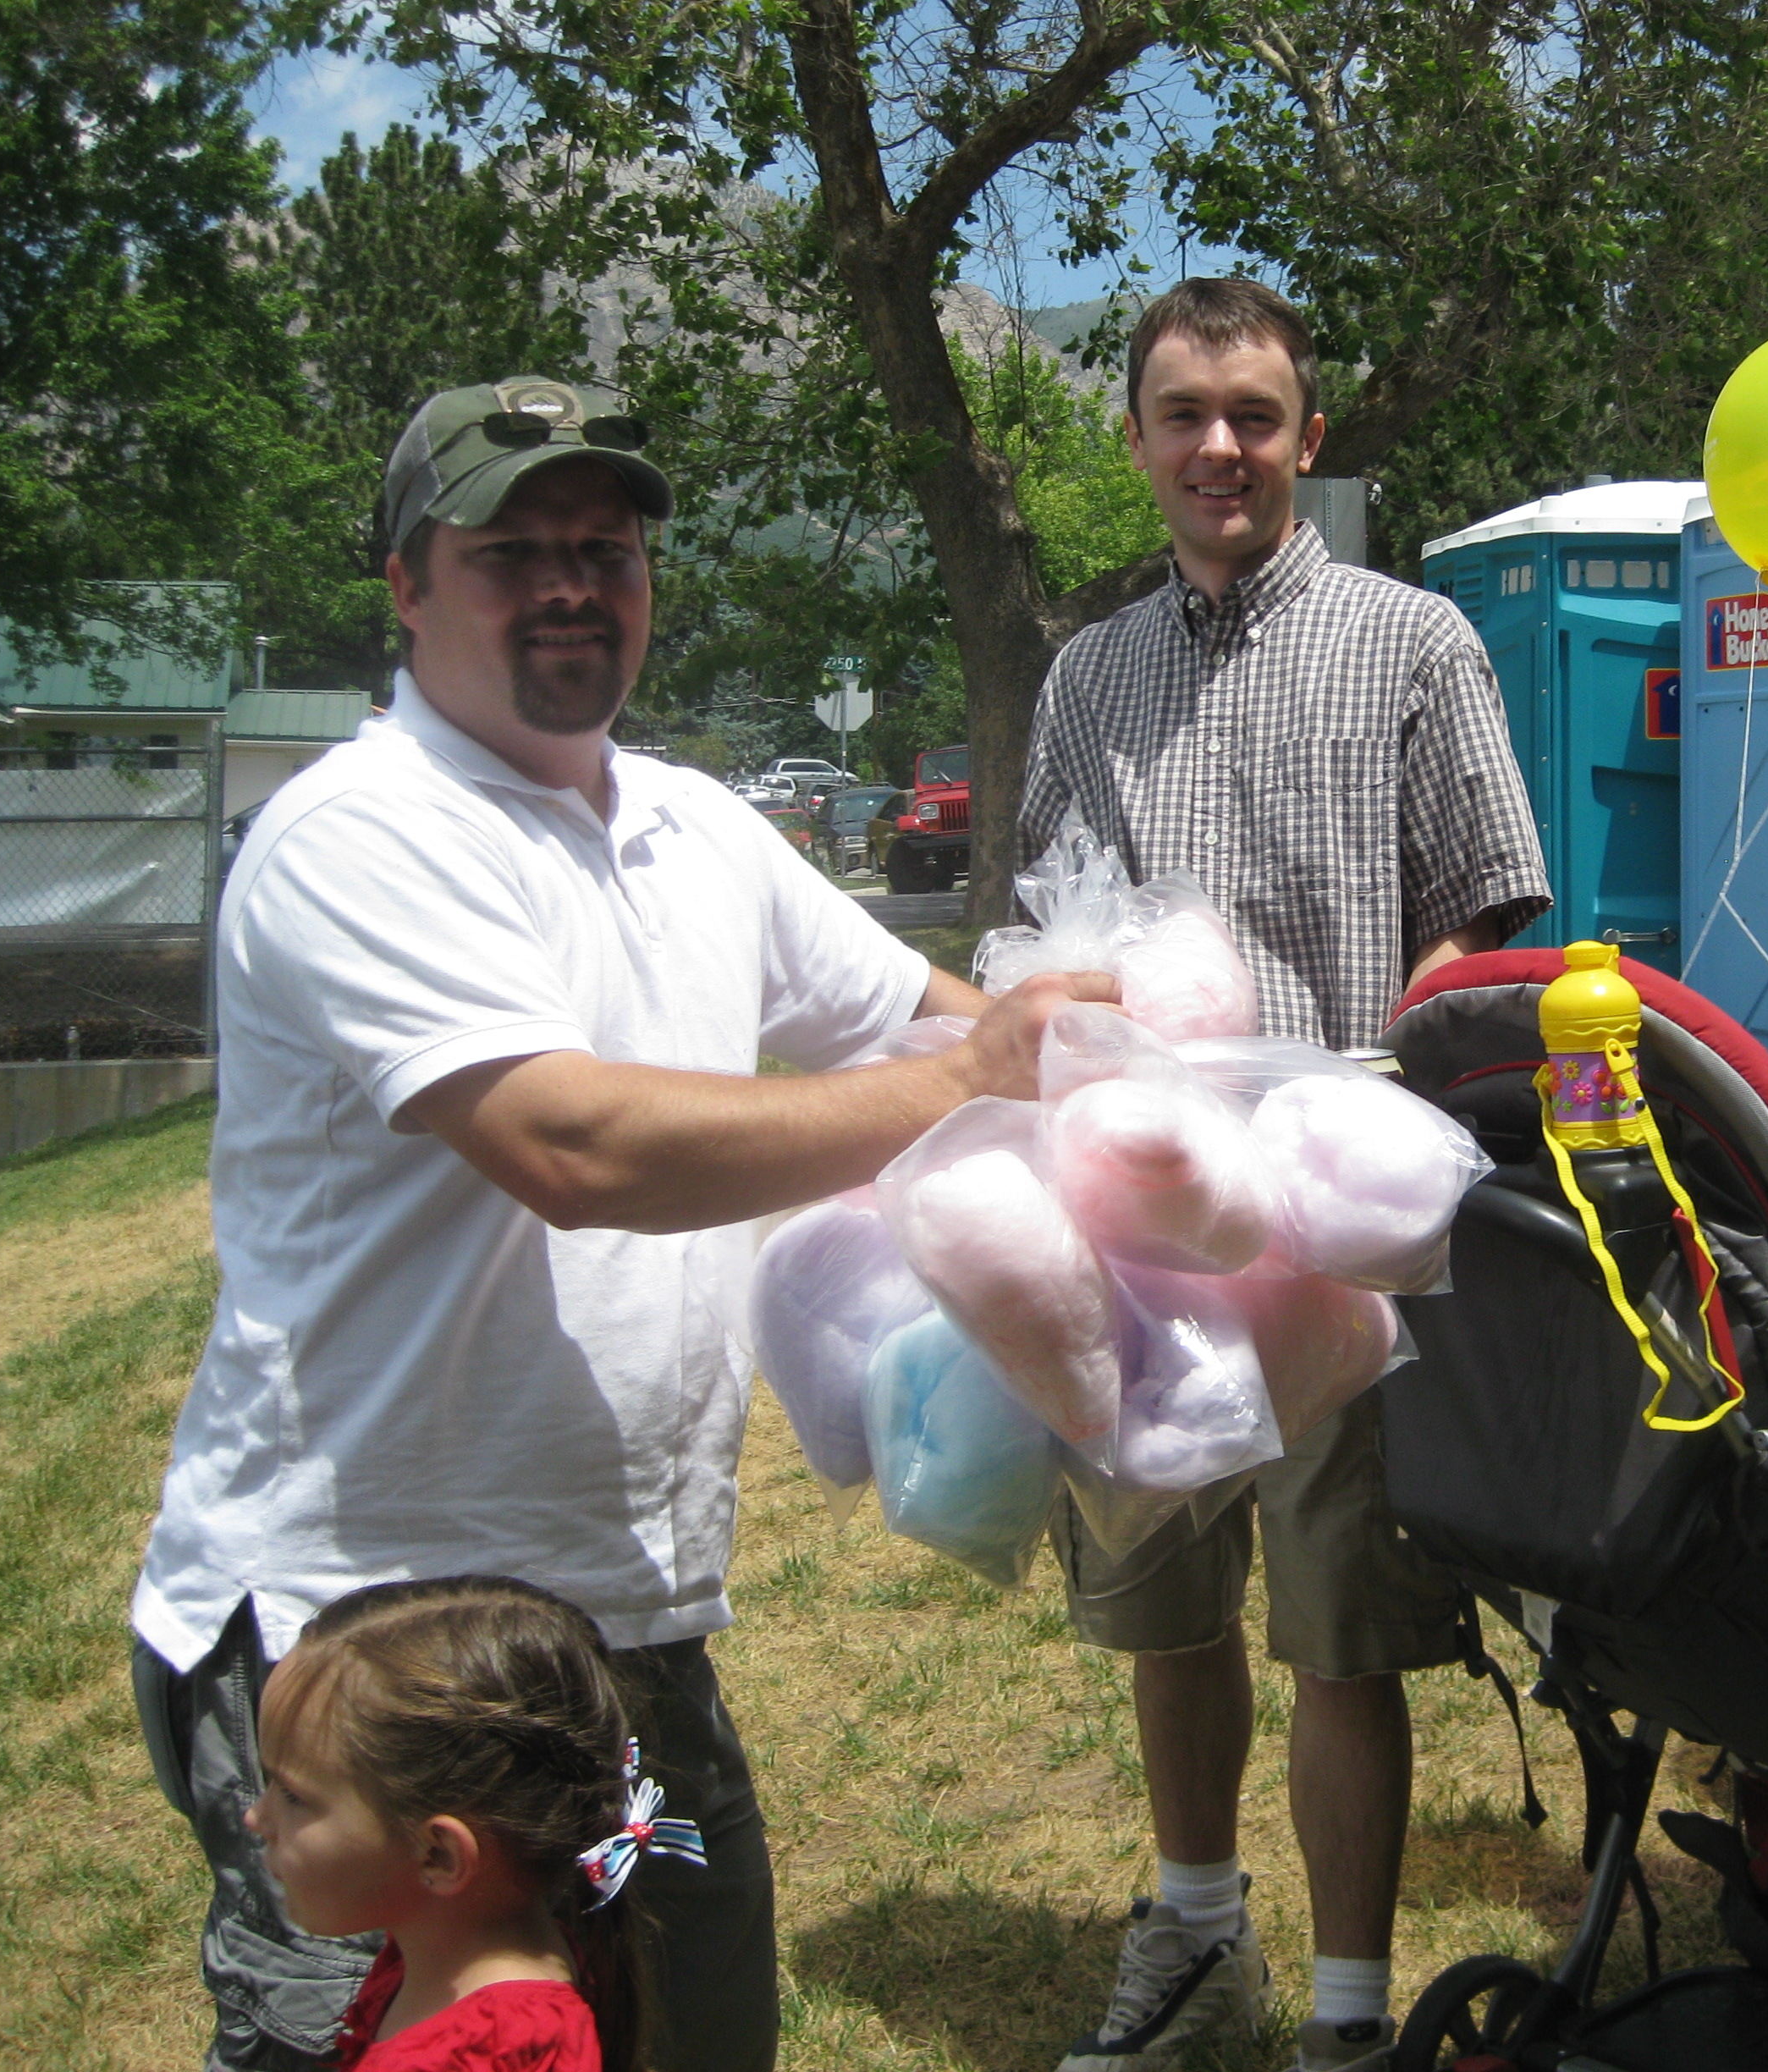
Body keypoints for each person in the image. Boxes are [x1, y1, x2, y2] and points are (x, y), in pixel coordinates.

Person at [131, 376, 1110, 2072]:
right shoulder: (358, 836)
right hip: (373, 1671)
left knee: (683, 1999)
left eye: (606, 544)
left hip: (626, 1653)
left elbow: (926, 1024)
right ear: (408, 585)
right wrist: (974, 1084)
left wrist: (1135, 1072)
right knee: (401, 2047)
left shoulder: (693, 828)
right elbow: (575, 1145)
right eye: (513, 550)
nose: (573, 581)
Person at [1017, 279, 1551, 2072]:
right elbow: (1053, 932)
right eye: (1184, 414)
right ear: (1140, 442)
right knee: (1167, 1605)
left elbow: (1476, 919)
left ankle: (1344, 2014)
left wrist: (1358, 1141)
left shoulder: (1417, 644)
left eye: (1254, 413)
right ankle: (1192, 1941)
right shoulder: (1086, 678)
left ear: (1308, 440)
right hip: (1143, 1222)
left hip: (1330, 1233)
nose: (1219, 446)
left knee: (1339, 1631)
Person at [246, 1576, 685, 2072]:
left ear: (439, 1854)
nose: (256, 1817)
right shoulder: (438, 1958)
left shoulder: (499, 2047)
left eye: (292, 1795)